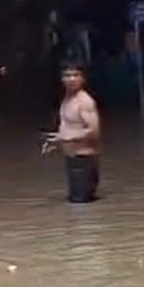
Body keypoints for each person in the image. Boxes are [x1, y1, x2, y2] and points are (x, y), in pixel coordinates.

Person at [44, 61, 101, 203]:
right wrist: (57, 140)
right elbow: (70, 127)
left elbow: (94, 131)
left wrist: (66, 138)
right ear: (62, 79)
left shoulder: (84, 102)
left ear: (83, 79)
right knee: (76, 206)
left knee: (81, 207)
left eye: (76, 75)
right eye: (67, 75)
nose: (71, 79)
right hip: (72, 161)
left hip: (84, 162)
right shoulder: (67, 100)